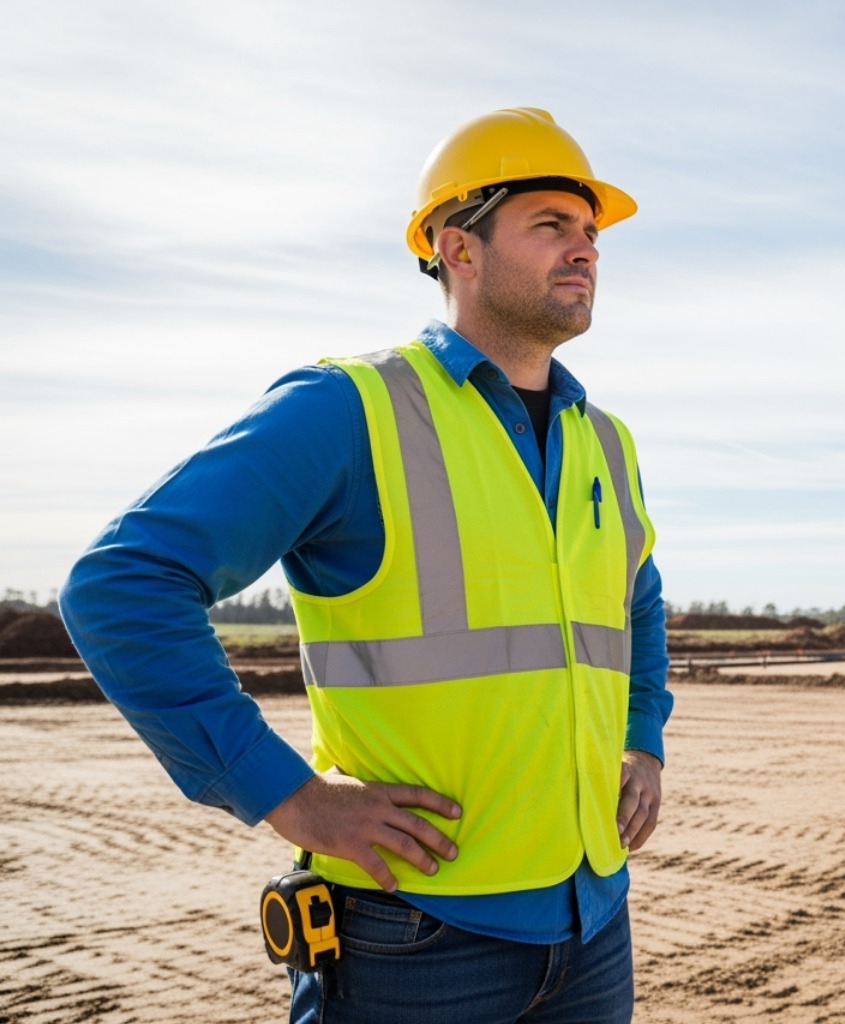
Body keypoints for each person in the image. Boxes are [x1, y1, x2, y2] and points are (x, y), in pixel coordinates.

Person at [60, 108, 671, 1024]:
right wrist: (288, 797)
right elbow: (121, 584)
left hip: (592, 925)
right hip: (413, 941)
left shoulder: (605, 442)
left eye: (590, 233)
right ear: (457, 248)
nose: (584, 250)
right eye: (551, 225)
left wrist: (644, 739)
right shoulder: (350, 410)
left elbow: (638, 600)